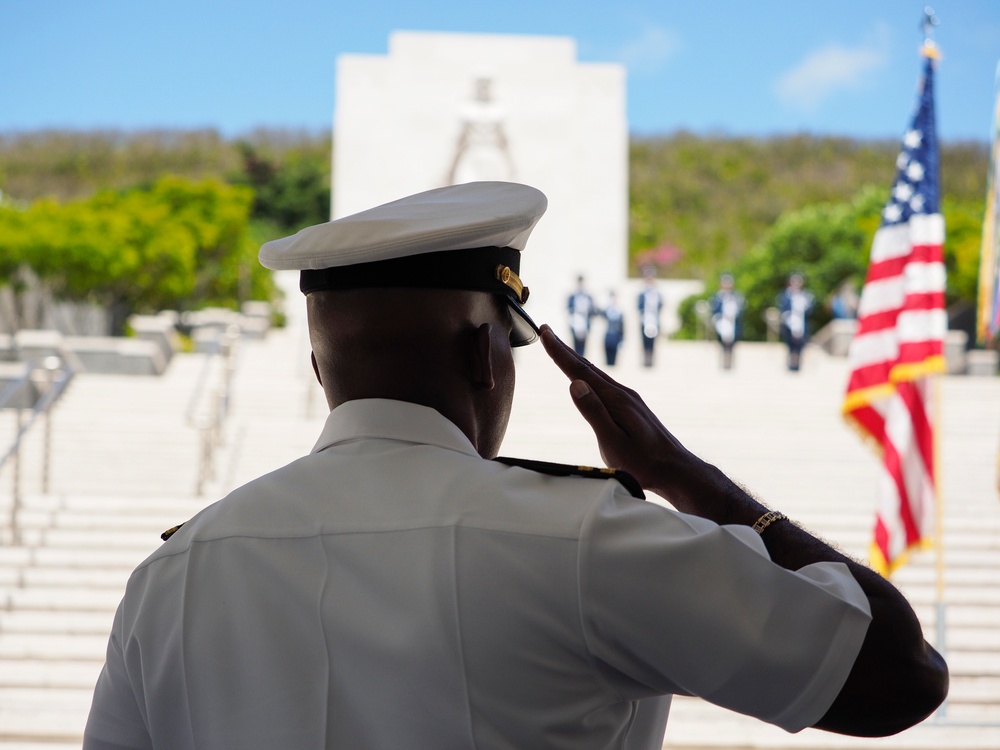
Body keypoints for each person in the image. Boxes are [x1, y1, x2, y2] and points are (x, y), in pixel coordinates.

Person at [84, 182, 947, 750]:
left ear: (320, 369)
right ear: (489, 358)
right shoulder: (585, 536)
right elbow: (896, 679)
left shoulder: (173, 572)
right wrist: (692, 479)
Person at [777, 272, 815, 372]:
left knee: (800, 345)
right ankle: (791, 363)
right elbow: (783, 309)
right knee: (790, 345)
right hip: (789, 324)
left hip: (801, 325)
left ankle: (797, 364)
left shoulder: (806, 296)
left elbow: (810, 310)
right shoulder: (785, 295)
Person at [710, 272, 745, 370]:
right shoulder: (717, 296)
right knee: (721, 344)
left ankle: (730, 363)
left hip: (733, 323)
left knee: (732, 345)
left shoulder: (736, 296)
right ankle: (723, 363)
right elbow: (714, 310)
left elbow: (741, 310)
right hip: (721, 323)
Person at [637, 267, 663, 367]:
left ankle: (651, 360)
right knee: (644, 341)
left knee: (653, 341)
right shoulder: (643, 292)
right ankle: (645, 360)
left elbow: (661, 305)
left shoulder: (656, 292)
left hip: (654, 319)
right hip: (645, 319)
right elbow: (639, 306)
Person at [567, 274, 594, 356]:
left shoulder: (587, 296)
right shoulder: (572, 296)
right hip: (575, 323)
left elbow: (591, 311)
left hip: (584, 325)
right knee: (575, 349)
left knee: (583, 349)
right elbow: (569, 309)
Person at [600, 290, 625, 366]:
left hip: (615, 336)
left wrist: (622, 340)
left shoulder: (619, 312)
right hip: (608, 336)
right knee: (607, 360)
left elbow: (622, 327)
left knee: (614, 360)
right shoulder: (606, 310)